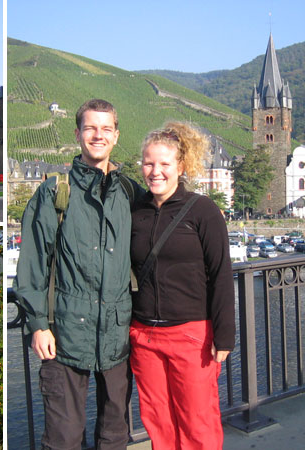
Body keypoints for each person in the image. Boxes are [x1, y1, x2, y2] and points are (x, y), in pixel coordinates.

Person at [14, 99, 143, 450]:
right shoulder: (55, 191)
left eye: (105, 129)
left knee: (115, 436)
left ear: (116, 135)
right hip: (64, 337)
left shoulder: (130, 193)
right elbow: (32, 263)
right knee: (64, 439)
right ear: (77, 134)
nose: (97, 135)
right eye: (90, 128)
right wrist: (39, 325)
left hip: (117, 337)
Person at [129, 122, 235, 450]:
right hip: (144, 337)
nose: (155, 171)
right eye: (148, 163)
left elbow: (220, 274)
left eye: (164, 164)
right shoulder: (135, 212)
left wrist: (225, 335)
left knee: (197, 422)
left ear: (181, 167)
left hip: (192, 336)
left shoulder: (202, 211)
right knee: (158, 421)